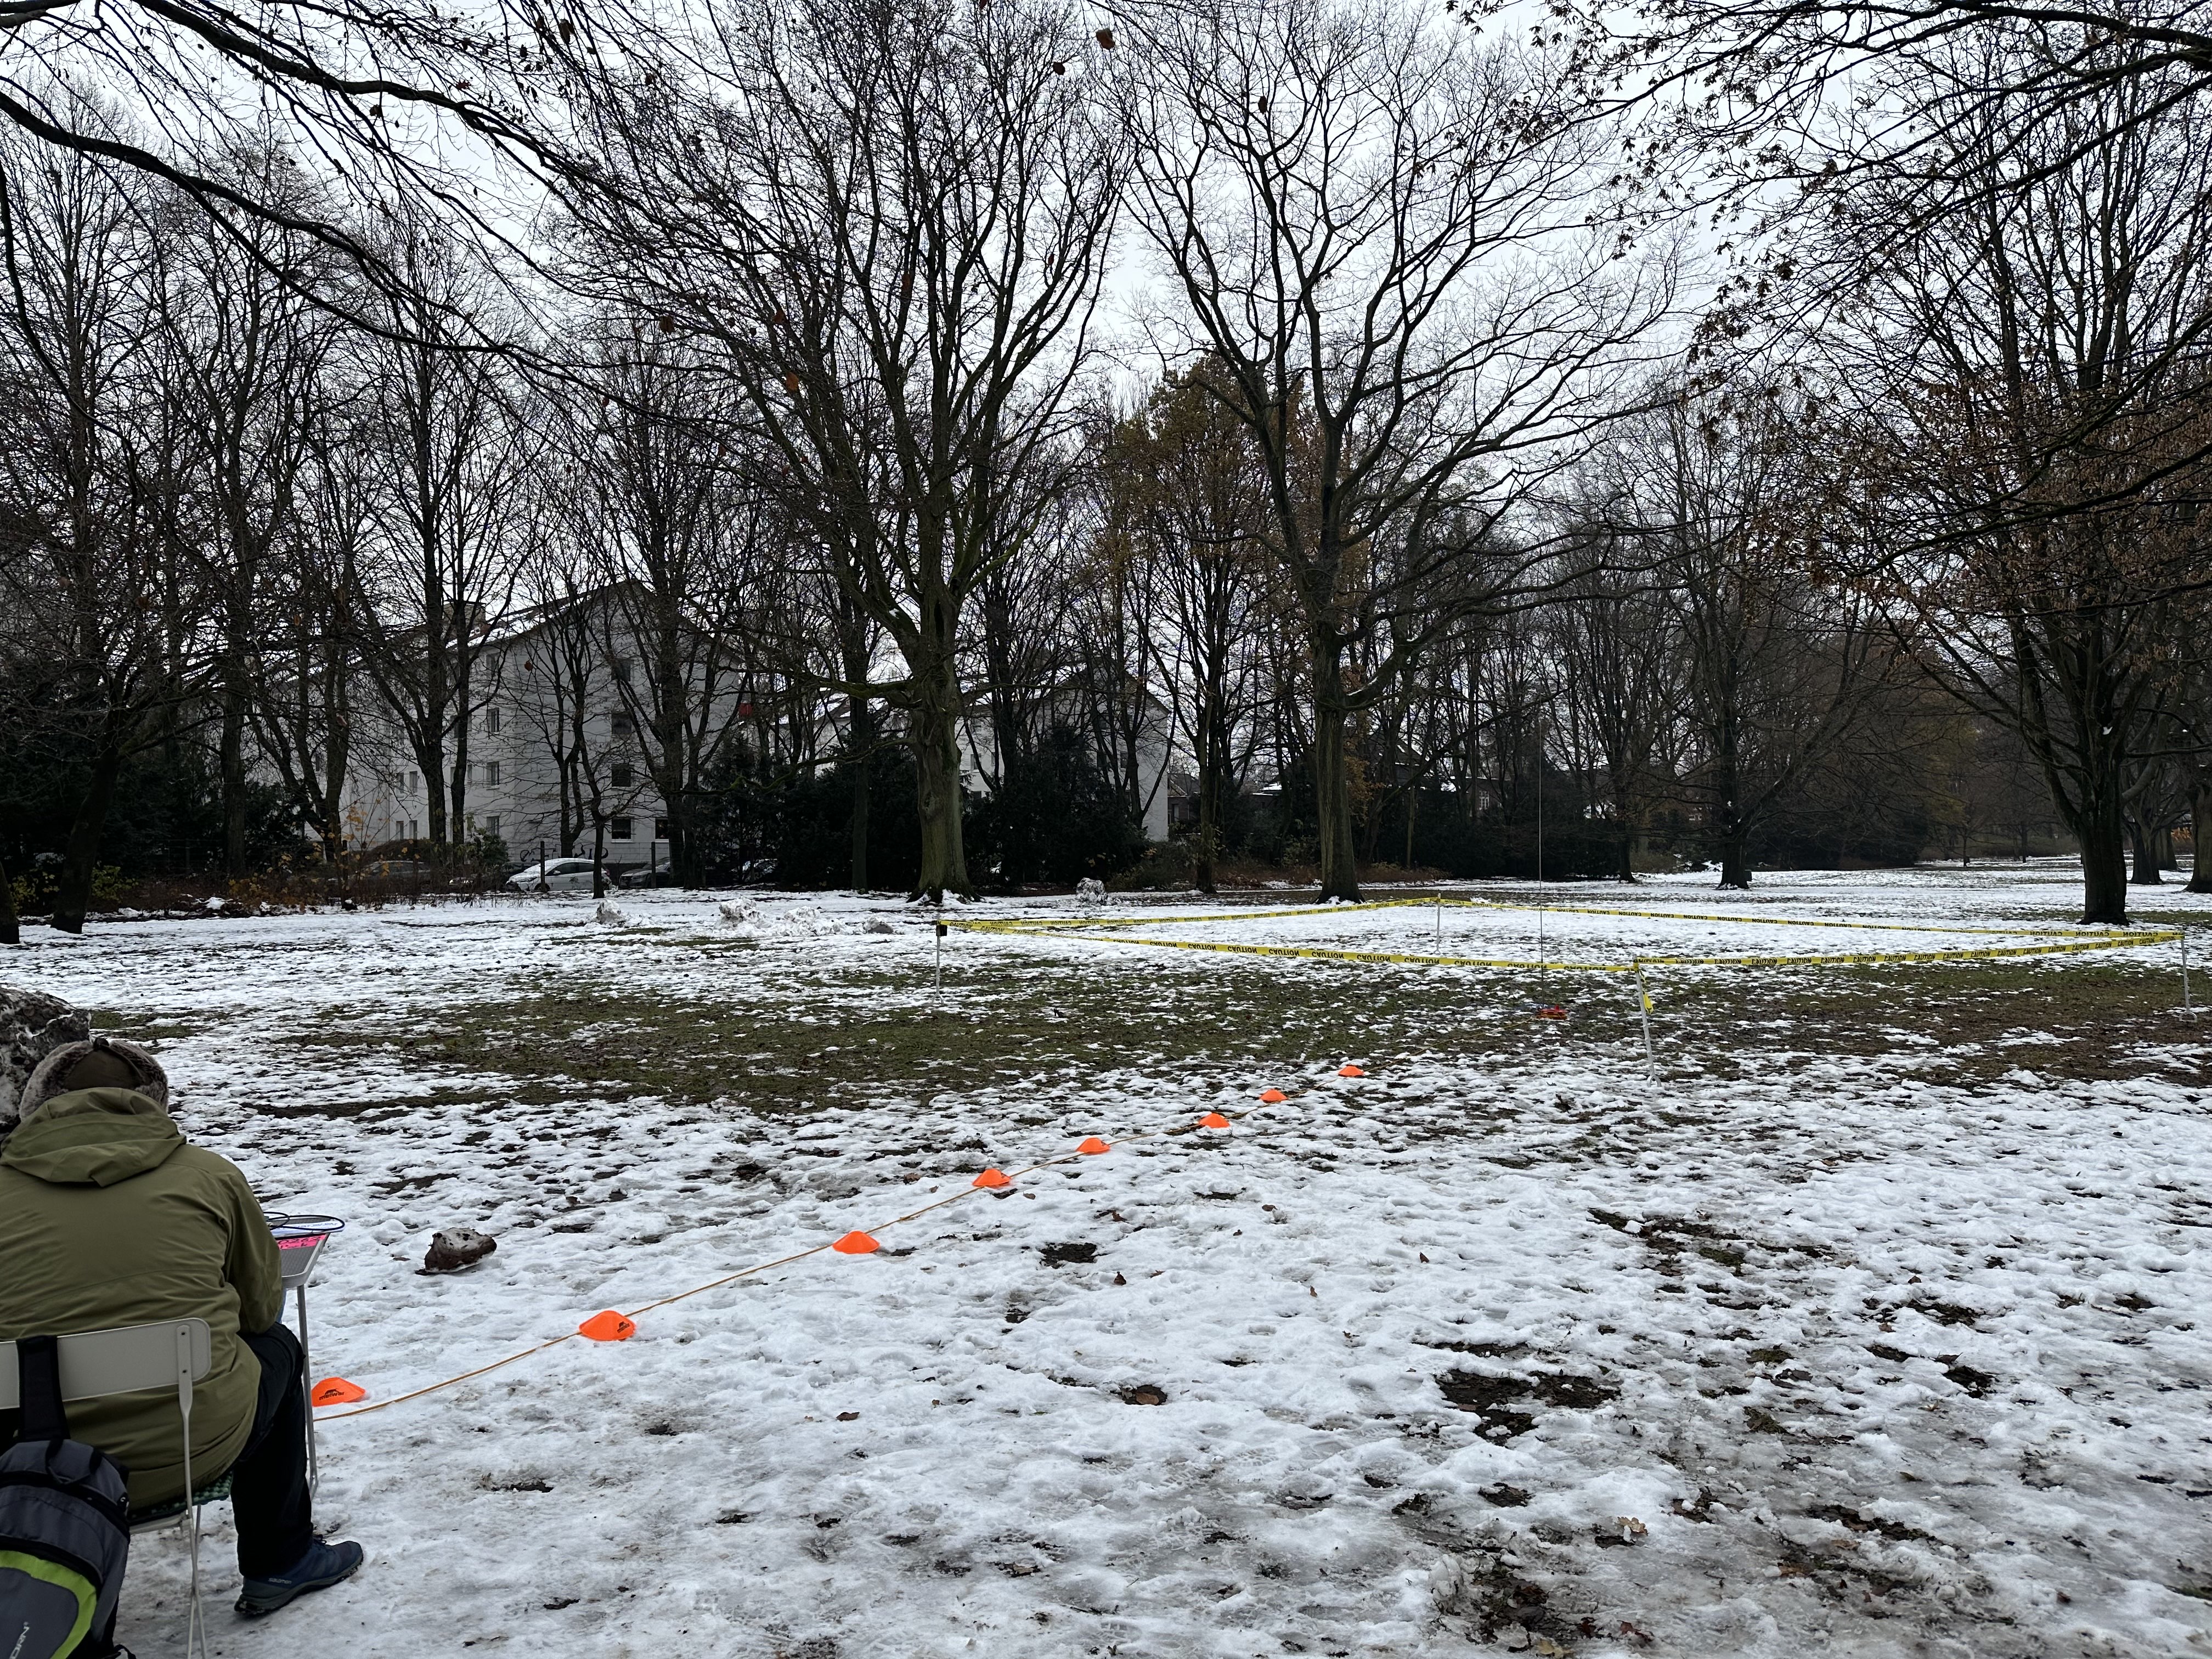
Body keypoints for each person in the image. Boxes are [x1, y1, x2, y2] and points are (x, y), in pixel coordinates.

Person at [0, 1035, 361, 1652]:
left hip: (25, 1467)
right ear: (152, 1101)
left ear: (37, 1104)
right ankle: (282, 1559)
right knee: (277, 1347)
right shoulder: (209, 1175)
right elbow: (260, 1310)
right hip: (191, 1448)